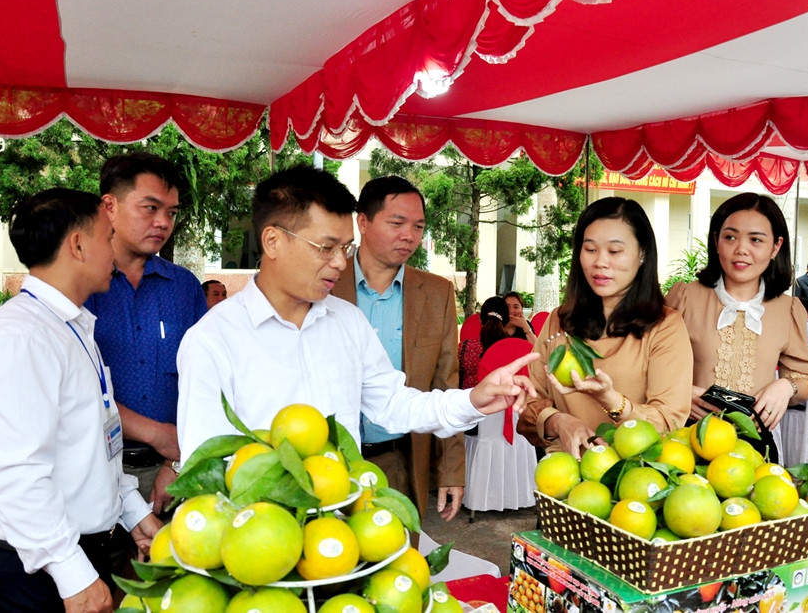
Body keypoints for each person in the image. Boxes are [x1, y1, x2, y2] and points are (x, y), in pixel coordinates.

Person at [175, 166, 537, 469]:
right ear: (272, 242)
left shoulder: (347, 321)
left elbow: (394, 403)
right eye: (326, 247)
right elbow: (205, 464)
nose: (339, 261)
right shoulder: (213, 340)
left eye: (345, 248)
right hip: (262, 539)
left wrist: (472, 400)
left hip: (347, 530)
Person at [0, 188, 161, 613]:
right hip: (40, 570)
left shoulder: (71, 327)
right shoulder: (21, 338)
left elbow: (93, 449)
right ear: (77, 244)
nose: (114, 251)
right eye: (108, 236)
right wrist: (71, 571)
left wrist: (135, 515)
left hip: (81, 554)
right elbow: (19, 475)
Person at [332, 175, 466, 522]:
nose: (409, 235)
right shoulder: (326, 283)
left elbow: (446, 382)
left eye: (418, 226)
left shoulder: (436, 294)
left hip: (399, 461)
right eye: (397, 223)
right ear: (362, 221)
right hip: (327, 463)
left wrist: (452, 469)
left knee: (398, 567)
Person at [518, 197, 693, 457]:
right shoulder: (559, 320)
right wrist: (559, 421)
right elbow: (530, 400)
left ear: (642, 253)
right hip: (563, 479)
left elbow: (668, 422)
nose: (600, 262)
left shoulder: (665, 326)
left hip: (637, 480)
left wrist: (610, 398)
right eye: (590, 250)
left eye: (614, 251)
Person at [84, 152, 207, 515]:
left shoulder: (184, 287)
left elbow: (206, 380)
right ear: (109, 206)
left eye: (171, 212)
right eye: (150, 208)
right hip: (93, 467)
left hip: (171, 469)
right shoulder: (81, 286)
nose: (162, 222)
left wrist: (176, 462)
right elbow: (70, 389)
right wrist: (156, 433)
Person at [666, 192, 808, 433]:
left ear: (776, 246)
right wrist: (680, 390)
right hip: (686, 437)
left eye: (755, 240)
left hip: (756, 444)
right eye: (730, 237)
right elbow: (649, 365)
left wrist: (787, 387)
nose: (741, 249)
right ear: (716, 241)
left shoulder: (788, 310)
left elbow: (804, 380)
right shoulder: (684, 298)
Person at [459, 297, 510, 390]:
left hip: (469, 401)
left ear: (480, 319)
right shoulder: (513, 349)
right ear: (507, 322)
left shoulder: (464, 347)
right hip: (502, 402)